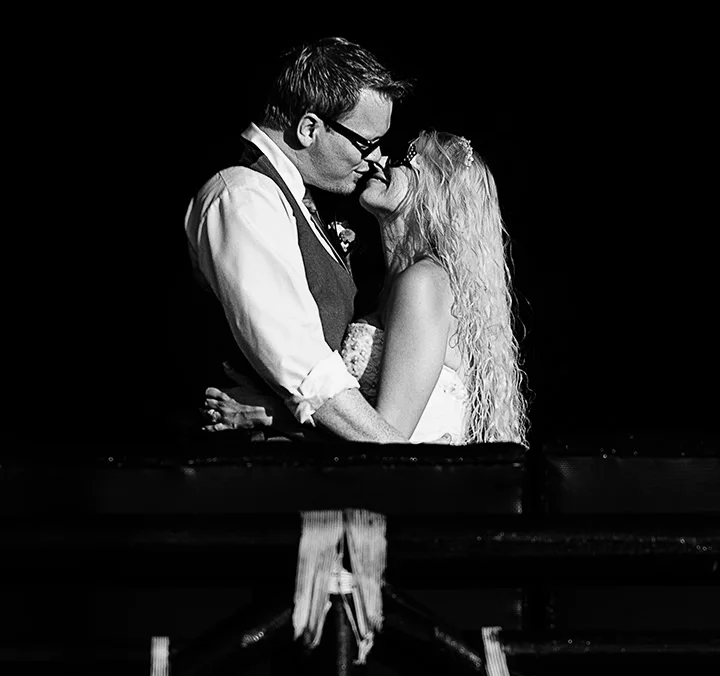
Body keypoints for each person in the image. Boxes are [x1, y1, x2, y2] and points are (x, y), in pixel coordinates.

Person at [206, 129, 529, 444]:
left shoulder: (424, 283)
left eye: (406, 158)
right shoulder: (394, 285)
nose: (381, 160)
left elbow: (386, 441)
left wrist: (268, 412)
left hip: (405, 493)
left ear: (435, 191)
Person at [184, 38, 414, 443]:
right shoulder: (242, 196)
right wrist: (407, 464)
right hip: (260, 481)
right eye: (366, 143)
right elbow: (306, 370)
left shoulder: (295, 196)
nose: (377, 158)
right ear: (309, 128)